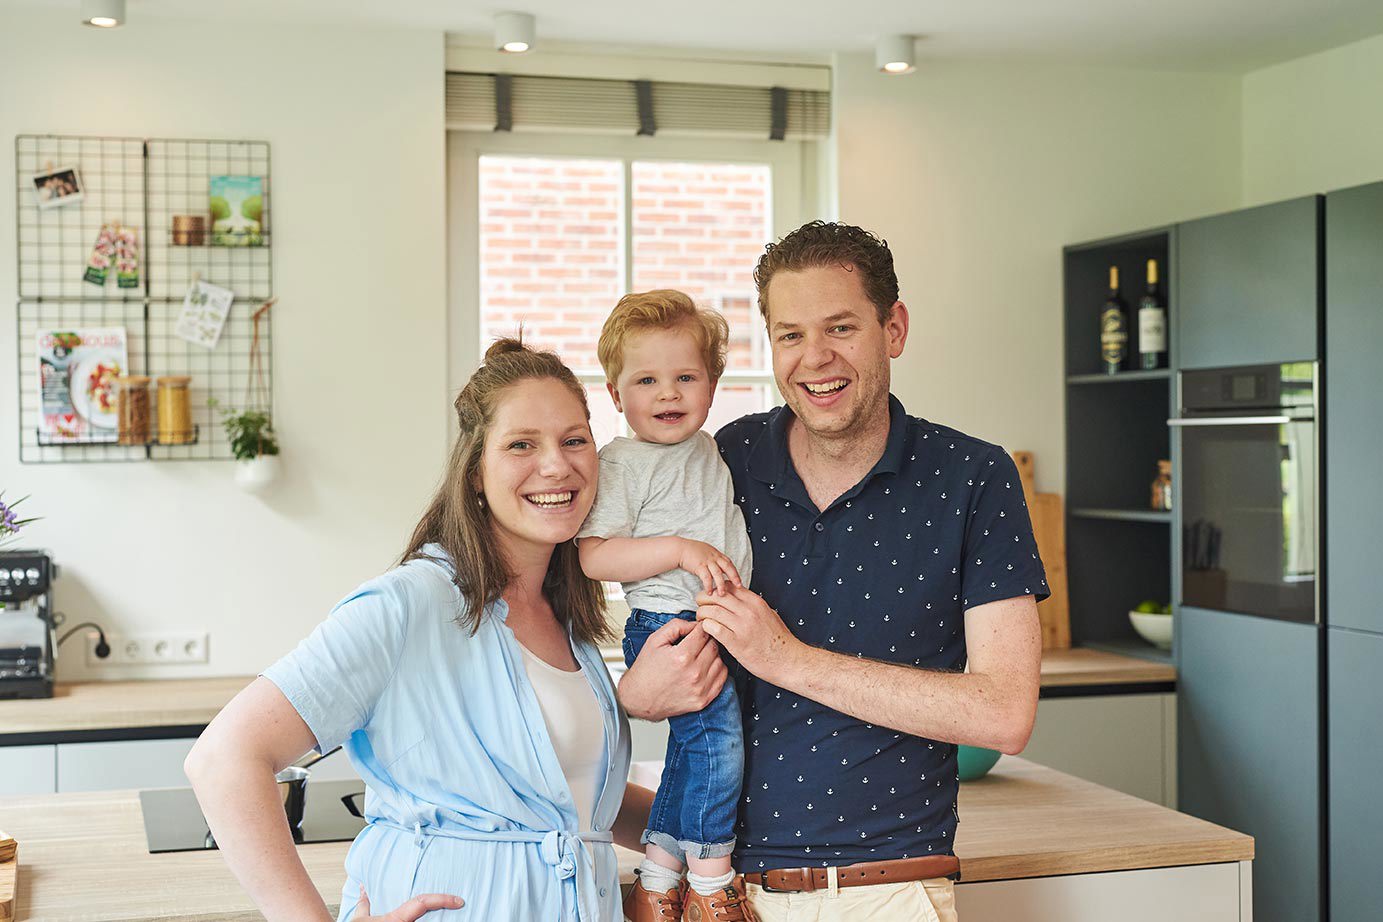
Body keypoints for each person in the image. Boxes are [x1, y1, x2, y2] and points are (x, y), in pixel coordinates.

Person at [186, 338, 729, 922]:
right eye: (522, 444)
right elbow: (223, 761)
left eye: (575, 440)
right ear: (475, 471)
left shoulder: (567, 616)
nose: (557, 465)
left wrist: (712, 836)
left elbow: (572, 799)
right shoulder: (410, 602)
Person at [618, 221, 1048, 921]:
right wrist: (633, 694)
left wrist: (783, 658)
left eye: (840, 327)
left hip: (892, 892)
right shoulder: (723, 459)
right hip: (721, 895)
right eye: (789, 334)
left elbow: (1004, 713)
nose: (813, 358)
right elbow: (617, 590)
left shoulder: (972, 477)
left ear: (893, 329)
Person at [576, 290, 755, 922]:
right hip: (669, 626)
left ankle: (657, 872)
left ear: (712, 385)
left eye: (686, 377)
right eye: (647, 380)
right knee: (718, 746)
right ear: (617, 395)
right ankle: (710, 879)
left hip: (712, 621)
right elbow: (594, 556)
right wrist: (679, 549)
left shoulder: (708, 448)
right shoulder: (624, 462)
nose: (668, 393)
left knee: (689, 749)